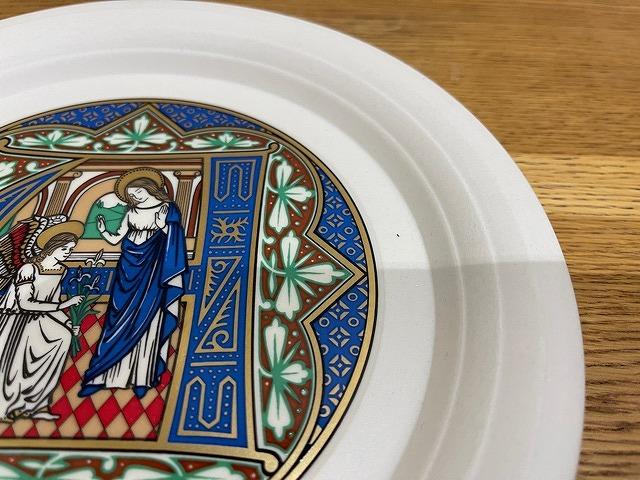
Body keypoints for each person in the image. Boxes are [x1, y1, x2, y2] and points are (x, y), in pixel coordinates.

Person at [79, 168, 187, 398]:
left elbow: (173, 236)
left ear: (149, 188)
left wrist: (163, 224)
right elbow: (117, 238)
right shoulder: (131, 212)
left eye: (137, 191)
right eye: (130, 194)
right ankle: (101, 375)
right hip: (127, 269)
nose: (134, 196)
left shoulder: (166, 209)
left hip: (152, 271)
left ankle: (142, 377)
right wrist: (103, 231)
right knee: (115, 321)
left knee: (148, 319)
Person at [0, 219, 84, 421]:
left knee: (63, 337)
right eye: (64, 248)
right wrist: (64, 305)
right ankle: (6, 405)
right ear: (52, 247)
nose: (67, 253)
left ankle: (36, 404)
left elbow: (53, 300)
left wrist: (68, 323)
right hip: (19, 320)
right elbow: (25, 304)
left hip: (43, 316)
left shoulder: (61, 270)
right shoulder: (28, 269)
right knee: (18, 360)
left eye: (70, 249)